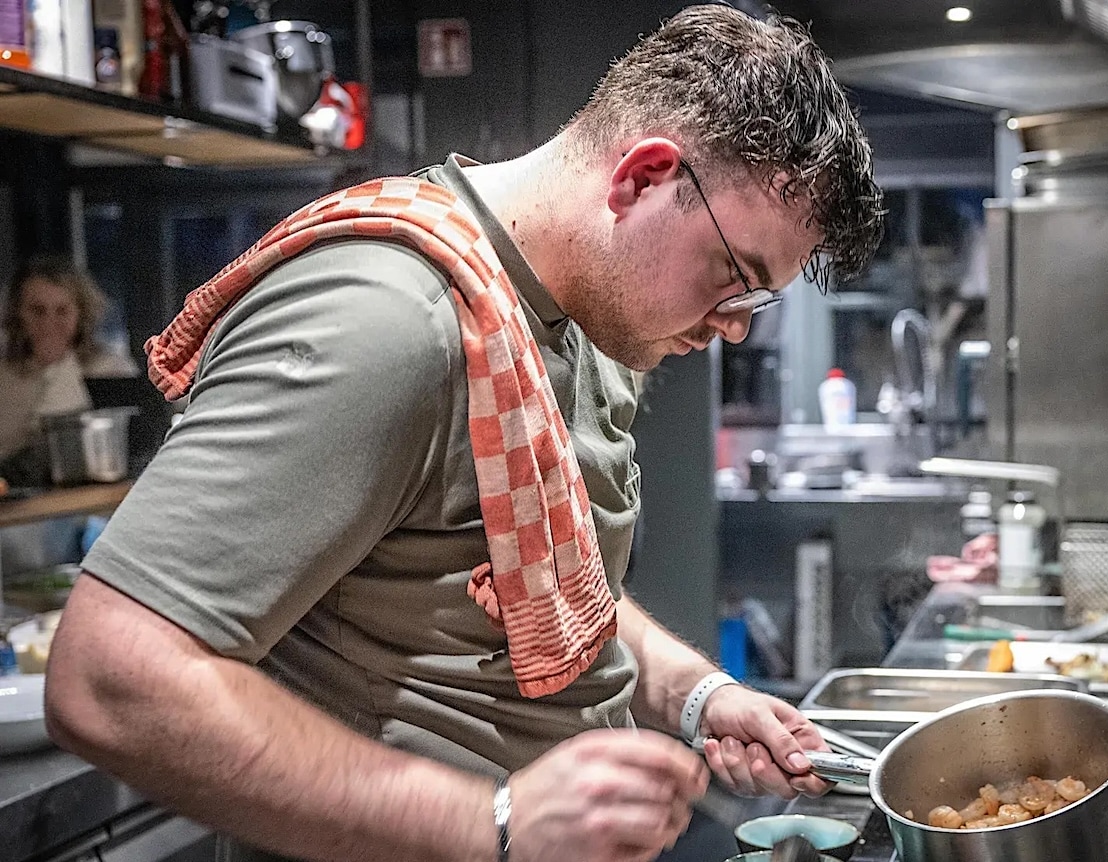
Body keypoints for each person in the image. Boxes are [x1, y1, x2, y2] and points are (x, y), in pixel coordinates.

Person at [44, 7, 883, 862]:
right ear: (645, 177)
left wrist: (694, 694)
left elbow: (546, 589)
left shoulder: (585, 323)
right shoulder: (390, 318)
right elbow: (113, 678)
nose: (734, 327)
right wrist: (495, 822)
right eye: (732, 277)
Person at [0, 254, 137, 469]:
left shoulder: (111, 369)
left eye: (61, 311)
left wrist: (63, 367)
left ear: (81, 314)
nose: (49, 322)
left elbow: (132, 446)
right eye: (37, 311)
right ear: (18, 314)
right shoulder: (4, 376)